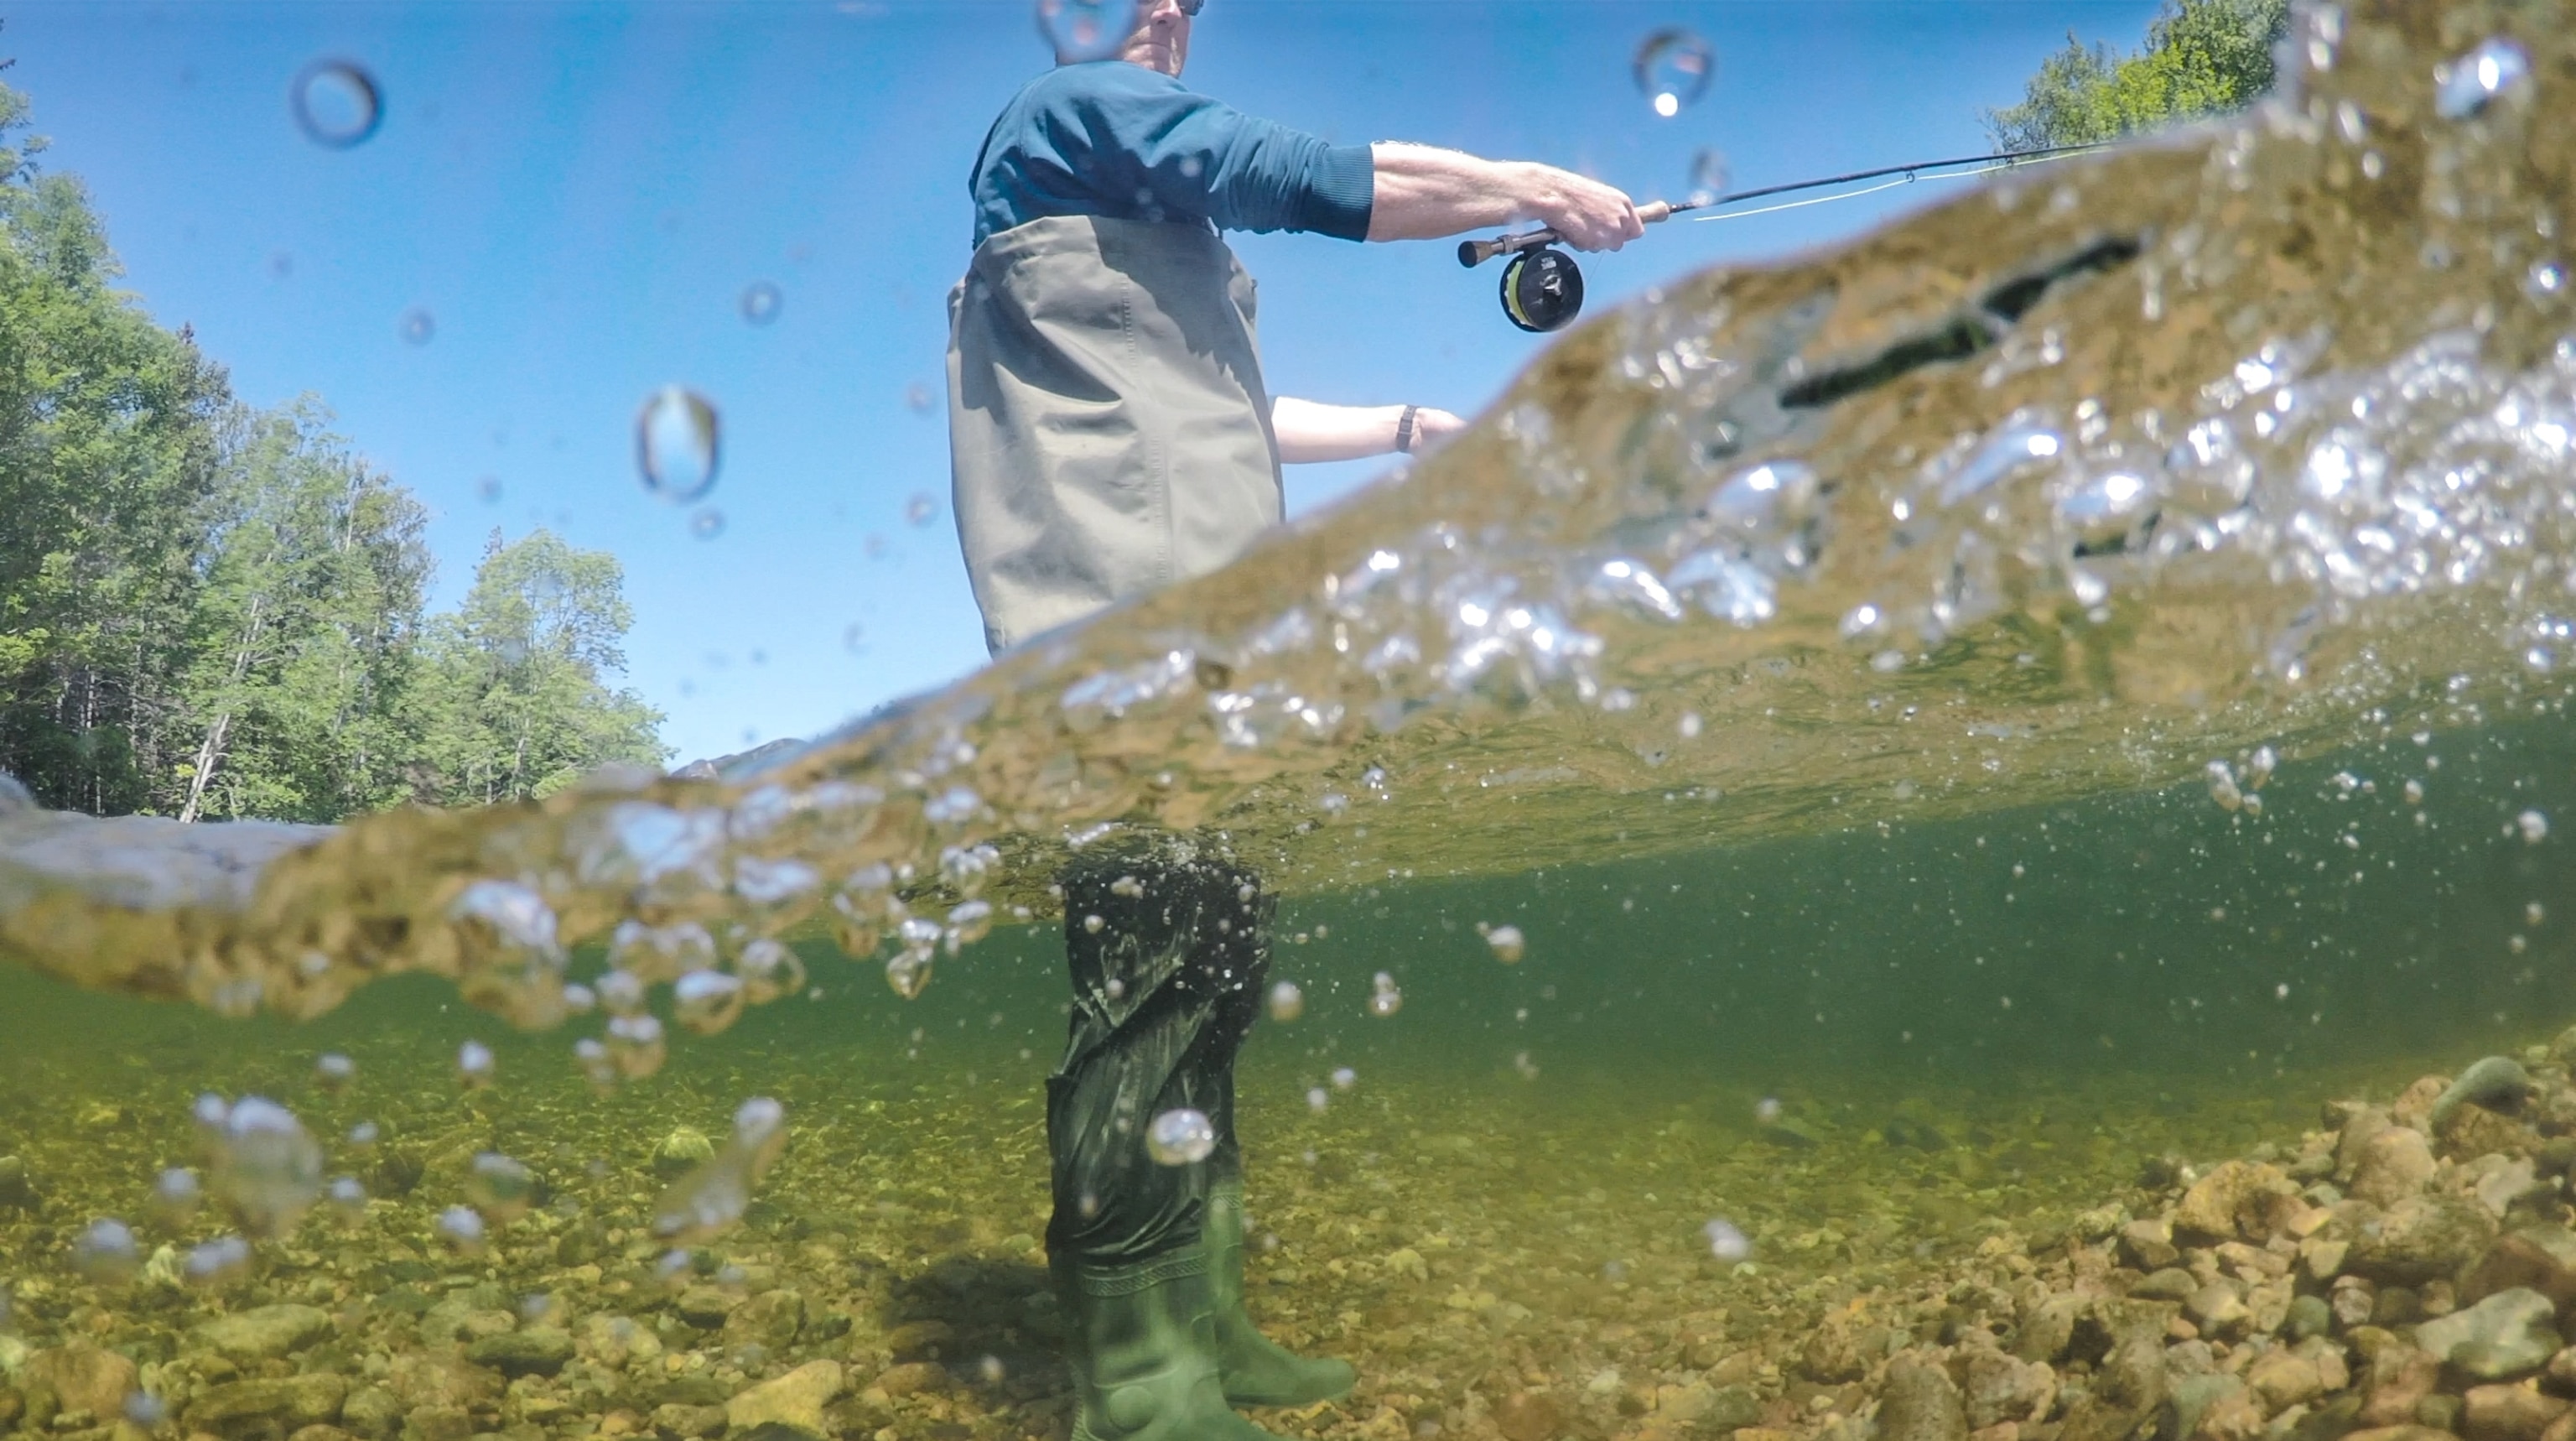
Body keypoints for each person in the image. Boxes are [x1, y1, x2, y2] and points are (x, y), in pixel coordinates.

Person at [943, 6, 1641, 1439]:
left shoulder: (1127, 211)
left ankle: (1207, 1322)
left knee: (1216, 985)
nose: (1169, 13)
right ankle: (1141, 1388)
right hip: (1118, 646)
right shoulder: (1072, 112)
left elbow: (1225, 411)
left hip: (1210, 647)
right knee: (1147, 1004)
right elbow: (1309, 177)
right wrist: (1531, 187)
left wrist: (1404, 428)